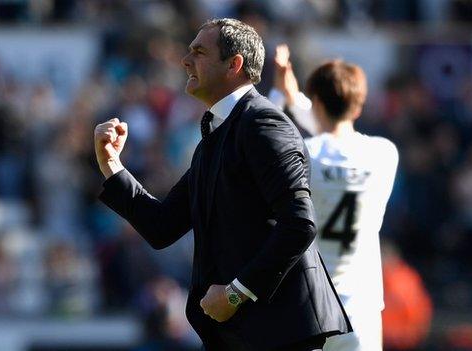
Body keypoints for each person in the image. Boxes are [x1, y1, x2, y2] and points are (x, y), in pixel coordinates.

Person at [94, 18, 351, 351]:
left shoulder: (263, 123)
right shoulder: (217, 134)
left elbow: (300, 223)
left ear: (235, 64)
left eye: (199, 52)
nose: (185, 61)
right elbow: (162, 227)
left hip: (280, 332)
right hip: (244, 333)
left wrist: (236, 292)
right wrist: (112, 167)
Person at [269, 45, 399, 351]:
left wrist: (284, 98)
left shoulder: (306, 155)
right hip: (361, 312)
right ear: (359, 106)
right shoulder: (383, 154)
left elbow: (269, 137)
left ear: (316, 102)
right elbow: (333, 131)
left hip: (309, 308)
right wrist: (300, 101)